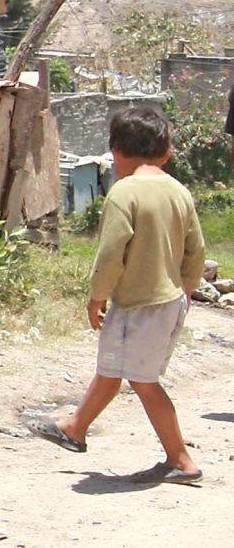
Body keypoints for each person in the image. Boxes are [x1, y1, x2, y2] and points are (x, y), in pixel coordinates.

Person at [34, 105, 206, 484]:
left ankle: (181, 460)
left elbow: (111, 252)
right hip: (168, 300)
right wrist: (187, 288)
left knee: (143, 381)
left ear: (116, 152)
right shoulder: (180, 192)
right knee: (112, 368)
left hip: (138, 305)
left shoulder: (124, 193)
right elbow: (196, 250)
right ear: (166, 152)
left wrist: (97, 296)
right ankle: (75, 428)